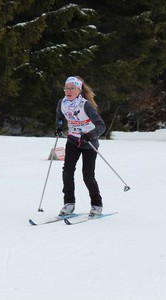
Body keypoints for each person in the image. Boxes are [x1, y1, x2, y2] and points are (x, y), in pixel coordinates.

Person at [55, 76, 106, 217]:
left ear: (79, 90)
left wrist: (92, 134)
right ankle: (69, 204)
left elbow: (101, 125)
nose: (68, 91)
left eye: (72, 88)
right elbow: (60, 117)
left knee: (87, 176)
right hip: (72, 141)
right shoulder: (62, 103)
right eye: (66, 88)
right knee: (67, 172)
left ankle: (97, 205)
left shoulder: (85, 105)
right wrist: (59, 127)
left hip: (88, 143)